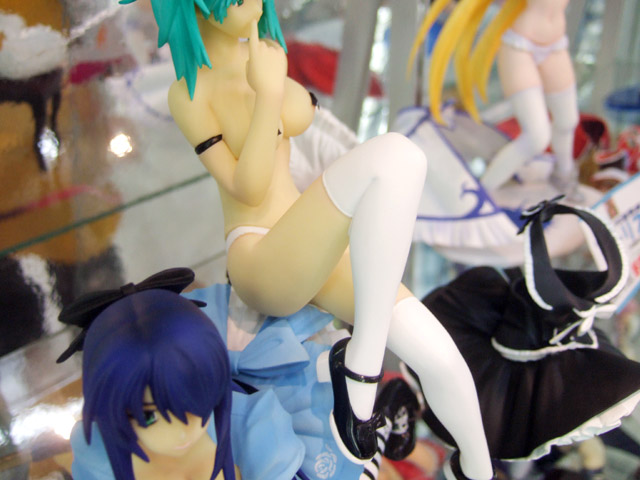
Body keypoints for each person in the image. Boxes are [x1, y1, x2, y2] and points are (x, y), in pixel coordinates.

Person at [120, 1, 495, 478]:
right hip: (260, 257)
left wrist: (273, 81)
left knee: (441, 356)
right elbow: (248, 187)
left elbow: (304, 113)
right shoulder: (189, 92)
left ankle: (478, 468)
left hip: (308, 242)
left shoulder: (266, 56)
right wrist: (268, 93)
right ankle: (362, 370)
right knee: (398, 156)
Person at [410, 0, 579, 192]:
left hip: (556, 45)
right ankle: (483, 191)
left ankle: (564, 175)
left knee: (567, 121)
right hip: (520, 46)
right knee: (537, 137)